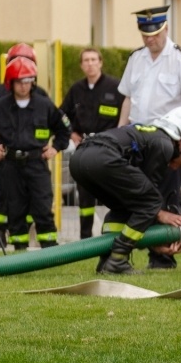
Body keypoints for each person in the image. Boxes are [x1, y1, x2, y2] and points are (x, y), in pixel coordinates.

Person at [69, 106, 181, 274]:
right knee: (152, 201)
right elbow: (149, 196)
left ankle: (107, 260)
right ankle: (118, 259)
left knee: (124, 207)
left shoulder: (151, 135)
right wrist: (161, 215)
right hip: (102, 158)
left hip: (79, 159)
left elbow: (137, 198)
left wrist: (155, 244)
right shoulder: (165, 143)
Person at [118, 5, 181, 268]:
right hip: (138, 141)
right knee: (135, 197)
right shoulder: (136, 58)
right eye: (144, 34)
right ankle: (128, 252)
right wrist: (120, 133)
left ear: (165, 28)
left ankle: (164, 256)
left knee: (167, 198)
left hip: (168, 142)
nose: (148, 39)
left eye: (153, 34)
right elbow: (128, 100)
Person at [0, 57, 71, 250]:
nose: (24, 86)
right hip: (10, 165)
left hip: (36, 164)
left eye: (28, 81)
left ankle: (50, 249)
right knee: (15, 211)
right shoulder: (0, 106)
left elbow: (64, 128)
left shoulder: (44, 105)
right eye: (19, 81)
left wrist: (56, 147)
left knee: (43, 208)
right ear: (11, 83)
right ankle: (20, 253)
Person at [0, 43, 49, 246]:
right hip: (8, 158)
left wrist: (47, 145)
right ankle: (0, 232)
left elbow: (48, 120)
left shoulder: (41, 95)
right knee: (5, 197)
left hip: (33, 159)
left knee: (34, 199)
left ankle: (25, 234)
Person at [60, 48, 124, 239]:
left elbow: (127, 115)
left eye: (93, 59)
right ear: (81, 65)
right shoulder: (76, 90)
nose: (90, 63)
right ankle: (85, 239)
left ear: (101, 62)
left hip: (109, 149)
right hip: (84, 150)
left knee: (114, 194)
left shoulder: (116, 87)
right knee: (85, 198)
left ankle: (116, 237)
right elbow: (61, 114)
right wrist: (71, 133)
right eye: (86, 60)